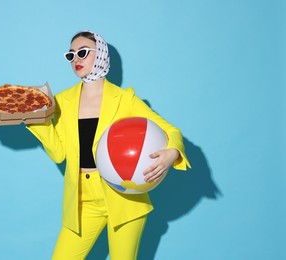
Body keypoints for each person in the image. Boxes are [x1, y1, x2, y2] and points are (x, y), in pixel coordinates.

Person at [26, 31, 190, 260]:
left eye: (82, 53)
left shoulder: (125, 99)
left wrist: (172, 153)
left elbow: (171, 131)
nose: (76, 60)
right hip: (82, 201)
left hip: (124, 199)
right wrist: (35, 119)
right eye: (71, 55)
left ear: (101, 54)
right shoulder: (61, 101)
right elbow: (59, 154)